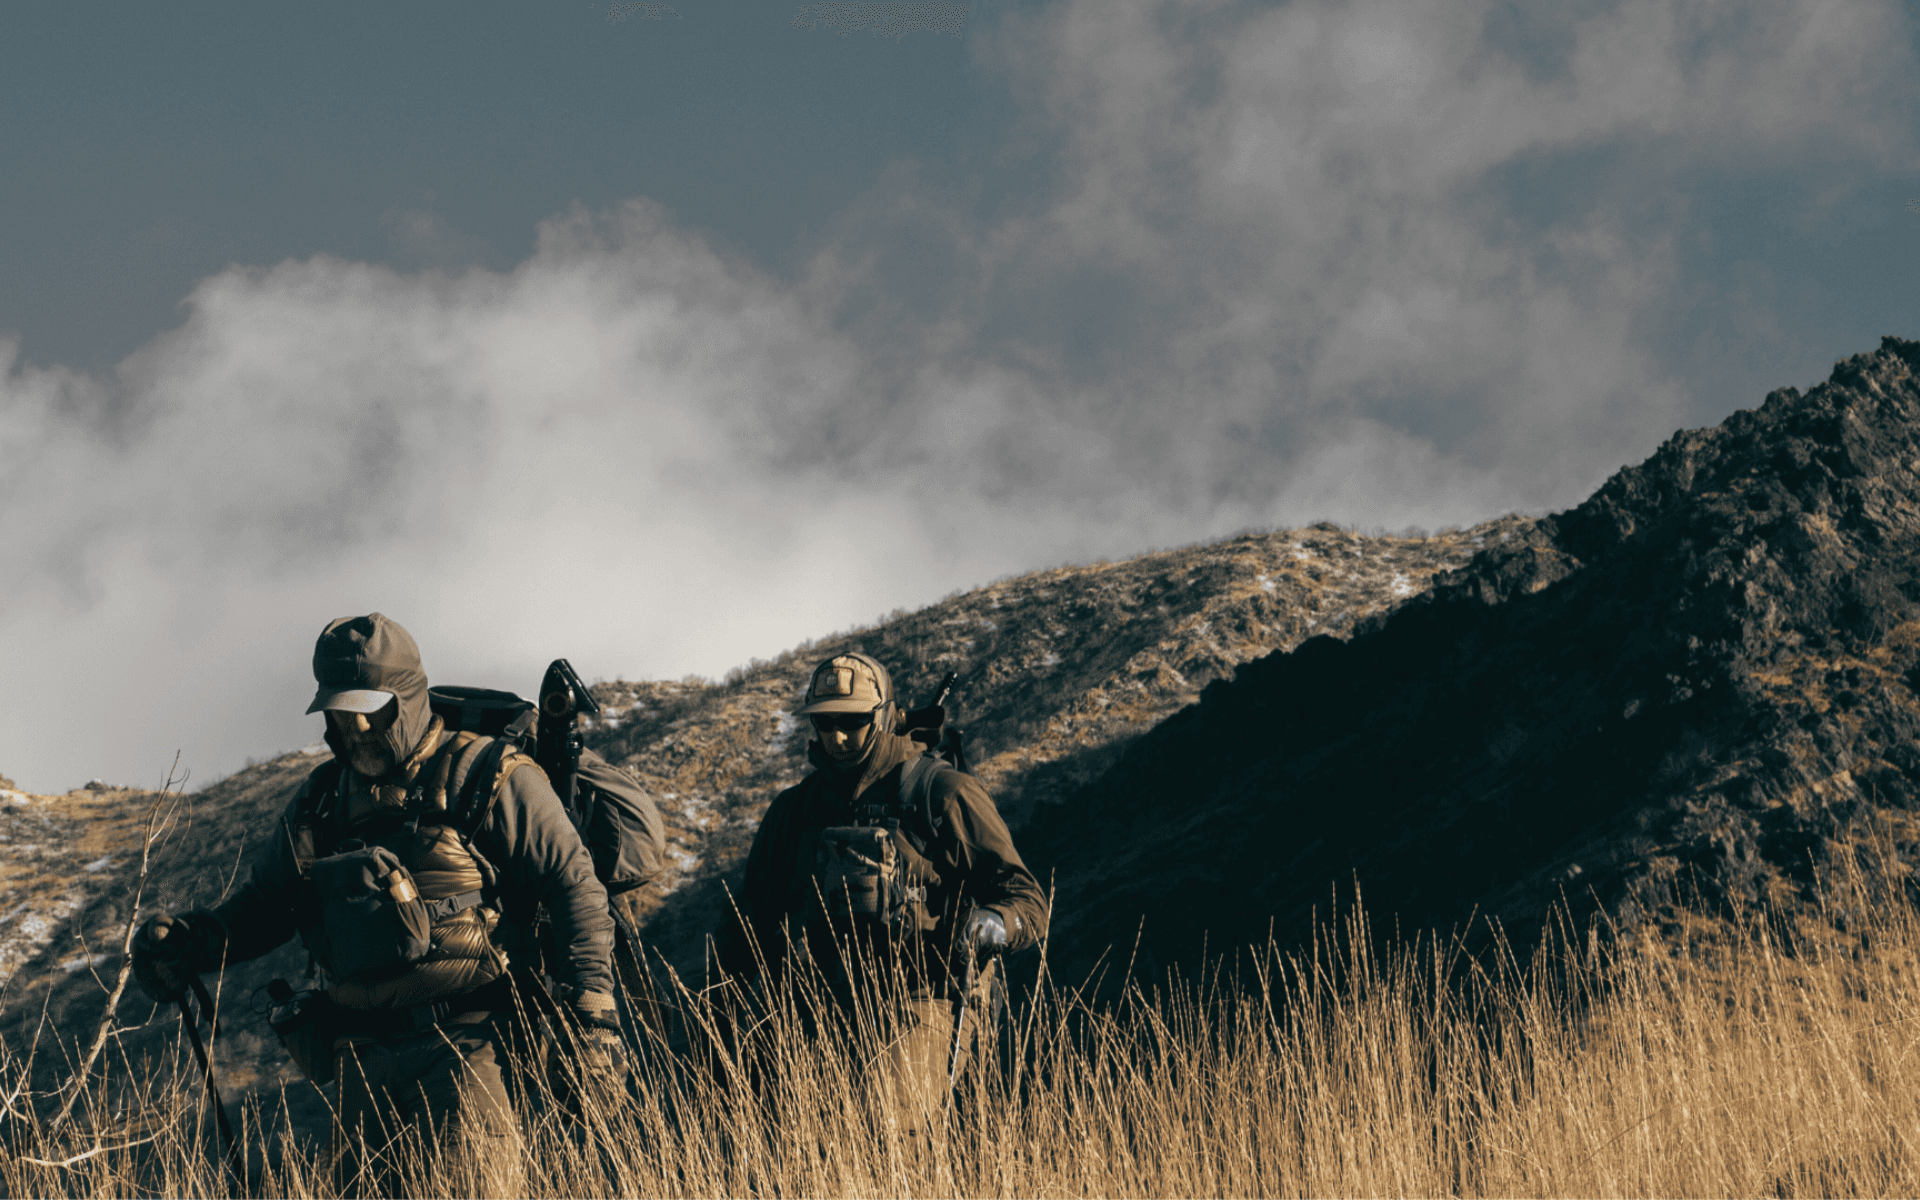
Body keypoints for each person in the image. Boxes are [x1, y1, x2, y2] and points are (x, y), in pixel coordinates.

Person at [131, 613, 619, 1197]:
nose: (357, 727)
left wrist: (593, 1013)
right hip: (359, 1068)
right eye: (342, 712)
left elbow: (574, 886)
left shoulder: (489, 774)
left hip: (468, 1052)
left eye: (373, 710)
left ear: (408, 699)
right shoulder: (319, 803)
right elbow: (266, 906)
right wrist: (194, 941)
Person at [715, 651, 1048, 1140]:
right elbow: (751, 920)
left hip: (927, 995)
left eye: (853, 722)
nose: (838, 737)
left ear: (885, 716)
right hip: (824, 1002)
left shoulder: (942, 792)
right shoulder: (794, 811)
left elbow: (1027, 897)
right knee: (796, 1144)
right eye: (825, 722)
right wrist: (727, 1018)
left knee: (887, 1131)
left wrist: (996, 922)